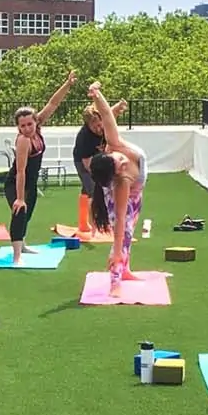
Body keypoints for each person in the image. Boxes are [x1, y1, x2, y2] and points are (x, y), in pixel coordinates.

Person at [5, 70, 78, 263]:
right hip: (16, 183)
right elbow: (20, 171)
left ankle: (23, 245)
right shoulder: (23, 141)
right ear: (18, 128)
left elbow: (53, 104)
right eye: (23, 126)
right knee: (19, 214)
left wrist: (67, 84)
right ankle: (16, 256)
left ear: (36, 122)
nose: (27, 128)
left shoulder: (37, 129)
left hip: (30, 182)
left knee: (27, 216)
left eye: (30, 124)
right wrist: (19, 198)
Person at [86, 82, 148, 296]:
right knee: (125, 235)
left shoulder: (114, 143)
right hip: (126, 194)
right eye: (119, 167)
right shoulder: (120, 182)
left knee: (133, 227)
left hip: (137, 192)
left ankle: (126, 269)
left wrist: (96, 93)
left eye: (118, 160)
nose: (122, 162)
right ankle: (115, 280)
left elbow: (106, 115)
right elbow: (120, 220)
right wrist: (117, 249)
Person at [71, 95, 126, 236]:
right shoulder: (85, 137)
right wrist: (98, 176)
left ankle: (84, 224)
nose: (98, 127)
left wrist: (118, 108)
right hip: (84, 162)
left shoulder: (103, 123)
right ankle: (94, 226)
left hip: (99, 159)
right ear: (88, 125)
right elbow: (87, 163)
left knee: (87, 189)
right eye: (94, 125)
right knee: (93, 191)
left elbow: (110, 114)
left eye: (99, 123)